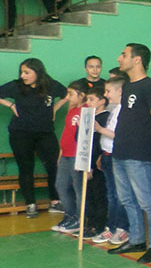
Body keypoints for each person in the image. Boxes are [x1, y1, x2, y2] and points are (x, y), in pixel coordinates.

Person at [107, 43, 151, 263]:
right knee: (126, 199)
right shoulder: (128, 87)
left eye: (124, 55)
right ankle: (137, 240)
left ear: (137, 59)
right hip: (120, 152)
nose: (119, 58)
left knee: (147, 201)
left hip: (139, 153)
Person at [0, 58, 65, 218]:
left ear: (37, 72)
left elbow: (67, 94)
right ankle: (30, 204)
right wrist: (10, 105)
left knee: (54, 165)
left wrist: (54, 109)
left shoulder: (51, 85)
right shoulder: (16, 85)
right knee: (26, 168)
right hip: (20, 133)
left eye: (27, 72)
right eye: (22, 72)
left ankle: (55, 201)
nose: (23, 76)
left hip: (45, 132)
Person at [91, 76, 129, 245]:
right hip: (107, 155)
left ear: (120, 91)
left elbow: (119, 136)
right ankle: (111, 227)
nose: (106, 95)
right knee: (111, 195)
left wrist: (99, 129)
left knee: (119, 195)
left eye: (108, 91)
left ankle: (122, 228)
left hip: (116, 157)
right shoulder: (115, 109)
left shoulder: (124, 110)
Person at [49, 79, 87, 233]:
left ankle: (79, 219)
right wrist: (61, 153)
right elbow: (67, 132)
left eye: (71, 94)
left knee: (78, 189)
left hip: (77, 156)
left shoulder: (87, 111)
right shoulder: (71, 111)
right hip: (66, 155)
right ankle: (69, 215)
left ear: (81, 95)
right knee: (61, 186)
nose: (67, 97)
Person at [80, 85, 109, 238]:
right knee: (88, 195)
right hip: (87, 162)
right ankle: (89, 223)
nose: (88, 102)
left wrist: (91, 165)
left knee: (99, 195)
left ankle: (99, 225)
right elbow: (83, 141)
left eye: (92, 99)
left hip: (96, 164)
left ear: (102, 101)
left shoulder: (105, 118)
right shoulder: (88, 117)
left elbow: (98, 143)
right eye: (87, 99)